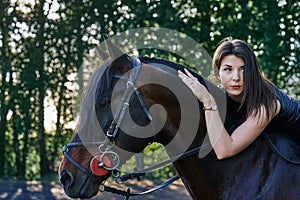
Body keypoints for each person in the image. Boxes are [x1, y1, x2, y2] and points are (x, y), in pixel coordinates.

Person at [178, 38, 300, 160]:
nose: (236, 77)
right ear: (217, 74)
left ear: (253, 73)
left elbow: (225, 150)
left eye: (243, 69)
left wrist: (208, 101)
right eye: (228, 69)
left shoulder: (267, 104)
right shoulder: (223, 96)